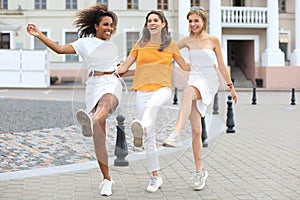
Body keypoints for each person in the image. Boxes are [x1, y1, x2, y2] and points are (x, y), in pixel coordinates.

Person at [27, 3, 123, 196]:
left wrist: (145, 70)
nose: (109, 29)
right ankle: (107, 179)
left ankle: (91, 119)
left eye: (111, 25)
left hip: (112, 82)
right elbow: (60, 49)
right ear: (96, 26)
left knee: (105, 103)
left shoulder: (113, 45)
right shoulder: (84, 43)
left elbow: (120, 69)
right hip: (94, 84)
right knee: (99, 139)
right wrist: (39, 35)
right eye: (105, 24)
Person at [162, 6, 238, 191]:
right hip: (194, 76)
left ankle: (175, 134)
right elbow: (167, 49)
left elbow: (221, 64)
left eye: (196, 20)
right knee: (196, 131)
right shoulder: (187, 41)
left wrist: (230, 86)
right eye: (190, 21)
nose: (193, 24)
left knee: (187, 93)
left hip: (208, 81)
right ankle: (199, 172)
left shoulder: (213, 40)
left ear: (203, 21)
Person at [116, 10, 190, 193]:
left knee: (154, 105)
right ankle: (155, 177)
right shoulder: (139, 44)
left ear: (163, 23)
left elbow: (185, 66)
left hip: (163, 89)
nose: (152, 23)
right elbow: (125, 67)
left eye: (156, 20)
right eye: (149, 21)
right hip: (142, 91)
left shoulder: (172, 45)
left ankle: (141, 125)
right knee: (149, 139)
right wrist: (106, 68)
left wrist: (205, 60)